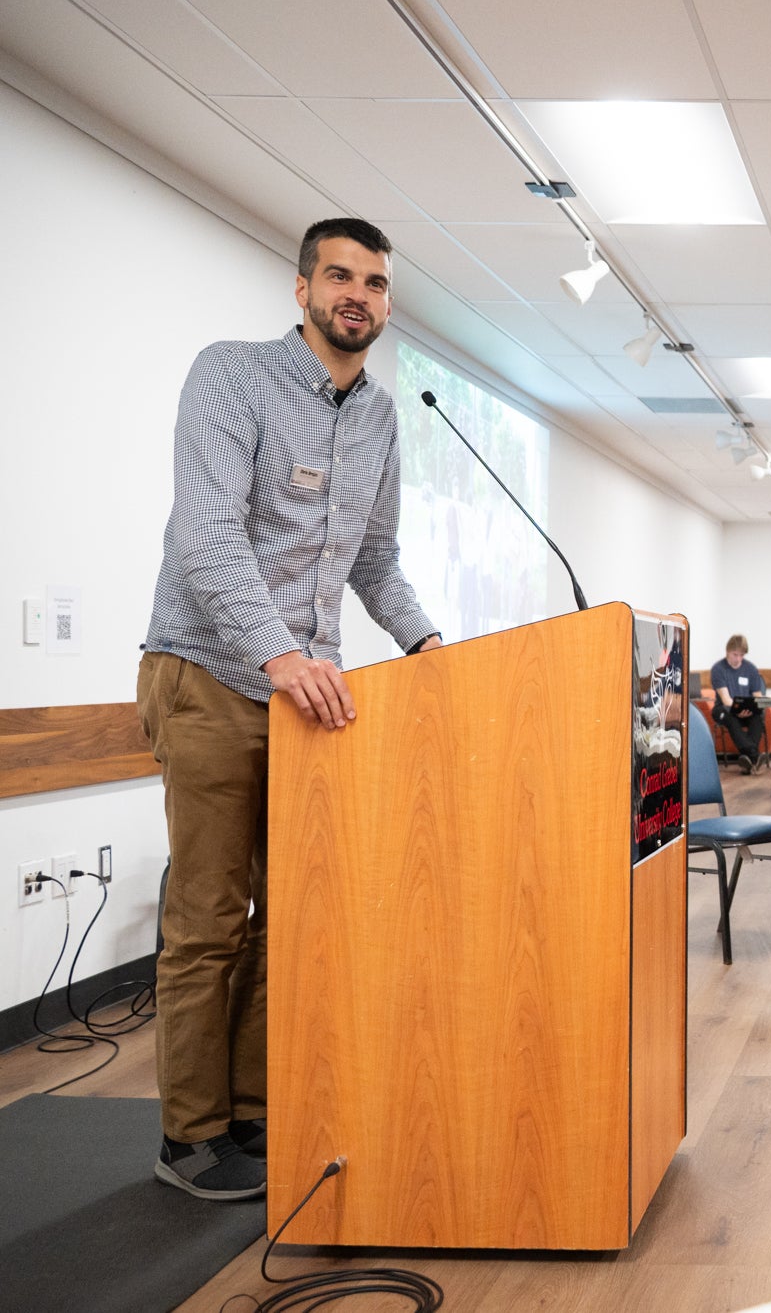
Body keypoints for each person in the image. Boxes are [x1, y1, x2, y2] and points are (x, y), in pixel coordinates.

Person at [139, 218, 443, 1201]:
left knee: (295, 915)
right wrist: (275, 651)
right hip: (212, 676)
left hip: (311, 698)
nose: (358, 294)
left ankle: (258, 1107)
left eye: (376, 282)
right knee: (208, 916)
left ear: (388, 304)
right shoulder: (230, 376)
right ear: (303, 288)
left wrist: (429, 646)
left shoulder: (383, 417)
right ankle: (189, 1133)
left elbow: (375, 560)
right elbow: (206, 531)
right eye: (340, 276)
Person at [708, 634, 767, 774]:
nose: (738, 659)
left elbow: (757, 695)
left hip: (747, 709)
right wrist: (738, 710)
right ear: (727, 651)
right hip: (724, 708)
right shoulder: (718, 669)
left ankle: (747, 759)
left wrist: (753, 708)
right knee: (731, 718)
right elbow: (726, 699)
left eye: (741, 655)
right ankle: (754, 756)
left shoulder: (751, 669)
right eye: (735, 654)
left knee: (758, 718)